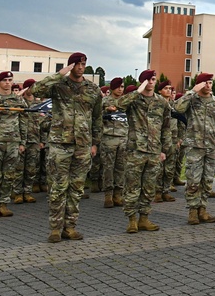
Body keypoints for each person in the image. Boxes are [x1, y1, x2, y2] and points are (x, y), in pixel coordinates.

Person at [29, 53, 103, 242]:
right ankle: (55, 228)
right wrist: (59, 73)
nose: (80, 67)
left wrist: (95, 143)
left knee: (76, 188)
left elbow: (97, 118)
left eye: (83, 64)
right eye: (77, 64)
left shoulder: (92, 89)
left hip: (83, 145)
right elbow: (36, 90)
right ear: (70, 66)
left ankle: (70, 227)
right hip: (60, 144)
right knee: (58, 187)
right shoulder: (58, 86)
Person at [116, 70, 171, 233]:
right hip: (135, 150)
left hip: (154, 151)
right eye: (148, 80)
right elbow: (119, 104)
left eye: (153, 79)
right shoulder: (133, 100)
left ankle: (144, 219)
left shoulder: (161, 102)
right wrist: (137, 91)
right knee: (132, 187)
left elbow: (166, 127)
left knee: (149, 187)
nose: (151, 82)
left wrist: (164, 149)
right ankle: (132, 220)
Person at [175, 73, 215, 225]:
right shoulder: (192, 99)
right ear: (199, 85)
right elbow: (177, 107)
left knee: (207, 180)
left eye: (210, 83)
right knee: (193, 180)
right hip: (194, 146)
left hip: (211, 146)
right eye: (205, 83)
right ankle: (192, 211)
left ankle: (202, 209)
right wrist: (192, 92)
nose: (208, 86)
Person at [0, 71, 28, 217]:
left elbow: (23, 122)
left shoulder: (18, 100)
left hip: (13, 142)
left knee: (9, 175)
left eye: (10, 80)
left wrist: (23, 142)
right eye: (5, 80)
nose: (8, 83)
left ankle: (4, 203)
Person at [99, 78, 127, 208]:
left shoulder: (125, 102)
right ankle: (108, 195)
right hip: (109, 137)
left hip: (123, 137)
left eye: (122, 87)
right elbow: (96, 117)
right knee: (108, 168)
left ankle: (118, 194)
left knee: (121, 167)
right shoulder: (104, 101)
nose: (121, 89)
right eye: (118, 87)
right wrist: (106, 111)